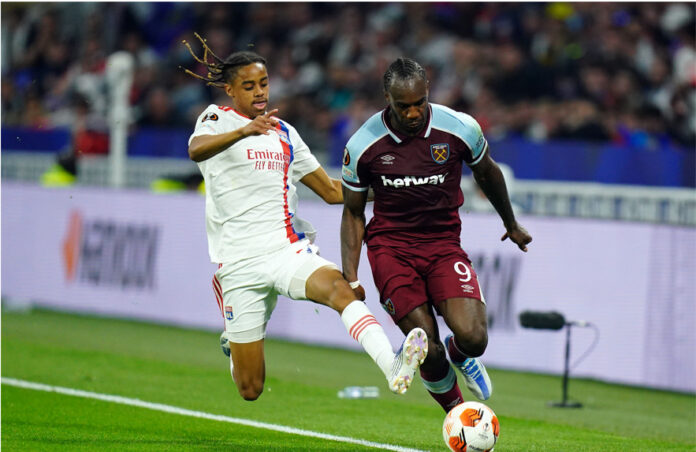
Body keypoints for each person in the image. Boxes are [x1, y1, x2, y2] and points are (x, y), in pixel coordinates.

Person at [183, 35, 427, 401]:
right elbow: (194, 150)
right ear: (231, 90)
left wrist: (395, 187)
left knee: (339, 289)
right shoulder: (216, 119)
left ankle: (392, 364)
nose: (259, 92)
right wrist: (243, 131)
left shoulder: (284, 133)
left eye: (263, 83)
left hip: (286, 250)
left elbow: (331, 191)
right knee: (251, 389)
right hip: (238, 263)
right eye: (248, 86)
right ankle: (234, 344)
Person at [341, 58, 532, 412]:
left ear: (428, 93)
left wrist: (510, 222)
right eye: (403, 106)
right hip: (391, 249)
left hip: (443, 245)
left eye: (419, 103)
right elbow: (353, 211)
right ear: (387, 98)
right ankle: (460, 416)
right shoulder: (364, 145)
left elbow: (487, 173)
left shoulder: (460, 128)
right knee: (426, 349)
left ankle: (463, 355)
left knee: (474, 338)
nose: (413, 113)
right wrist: (350, 278)